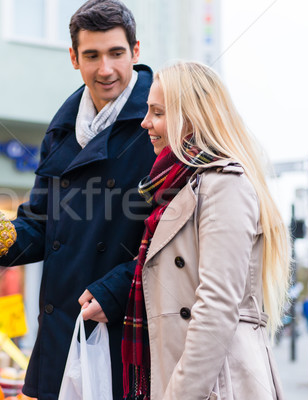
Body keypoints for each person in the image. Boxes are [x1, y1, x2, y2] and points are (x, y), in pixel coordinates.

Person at [0, 1, 156, 398]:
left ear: (136, 51)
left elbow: (174, 242)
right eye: (92, 55)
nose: (106, 69)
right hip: (63, 333)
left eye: (116, 53)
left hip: (125, 332)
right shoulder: (61, 130)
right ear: (74, 58)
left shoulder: (158, 122)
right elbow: (40, 225)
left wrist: (116, 289)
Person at [121, 61, 290, 400]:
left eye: (157, 112)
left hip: (219, 383)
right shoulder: (178, 187)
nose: (145, 123)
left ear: (190, 117)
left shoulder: (225, 184)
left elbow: (216, 305)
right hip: (193, 375)